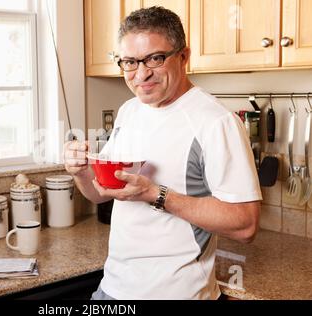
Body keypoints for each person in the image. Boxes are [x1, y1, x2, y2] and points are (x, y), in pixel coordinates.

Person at [64, 6, 261, 300]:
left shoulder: (216, 122)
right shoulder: (129, 110)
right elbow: (100, 193)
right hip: (112, 289)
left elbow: (246, 224)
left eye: (155, 58)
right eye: (129, 62)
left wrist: (156, 194)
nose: (141, 74)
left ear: (183, 56)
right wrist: (81, 172)